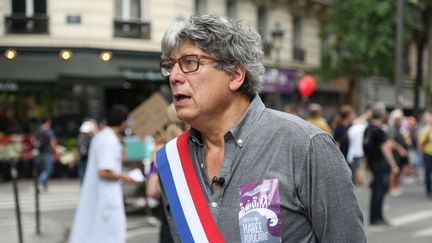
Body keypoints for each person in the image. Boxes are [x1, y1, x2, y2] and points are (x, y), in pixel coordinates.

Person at [156, 15, 366, 242]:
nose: (175, 77)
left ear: (235, 75)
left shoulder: (305, 146)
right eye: (170, 66)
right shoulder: (171, 160)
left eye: (189, 63)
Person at [68, 104, 135, 243]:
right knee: (108, 235)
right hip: (106, 197)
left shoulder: (104, 137)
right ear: (123, 122)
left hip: (102, 196)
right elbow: (104, 172)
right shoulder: (108, 140)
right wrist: (125, 176)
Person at [363, 103, 399, 225]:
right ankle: (377, 217)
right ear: (382, 115)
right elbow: (385, 149)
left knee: (376, 190)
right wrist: (393, 164)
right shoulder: (379, 131)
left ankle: (374, 217)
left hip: (371, 162)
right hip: (379, 163)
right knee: (380, 190)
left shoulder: (368, 128)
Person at [33, 116, 58, 191]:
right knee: (48, 170)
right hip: (47, 153)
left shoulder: (38, 130)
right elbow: (52, 142)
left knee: (43, 170)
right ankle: (39, 182)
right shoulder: (48, 131)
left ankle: (45, 186)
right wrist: (56, 151)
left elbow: (33, 140)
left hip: (39, 153)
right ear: (48, 121)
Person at [73, 119, 97, 184]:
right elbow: (77, 148)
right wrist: (73, 159)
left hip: (91, 160)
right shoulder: (80, 137)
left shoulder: (94, 138)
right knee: (82, 176)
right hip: (82, 160)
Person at [418, 111, 432, 198]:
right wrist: (421, 154)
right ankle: (428, 191)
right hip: (428, 154)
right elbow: (420, 143)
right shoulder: (426, 129)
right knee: (428, 173)